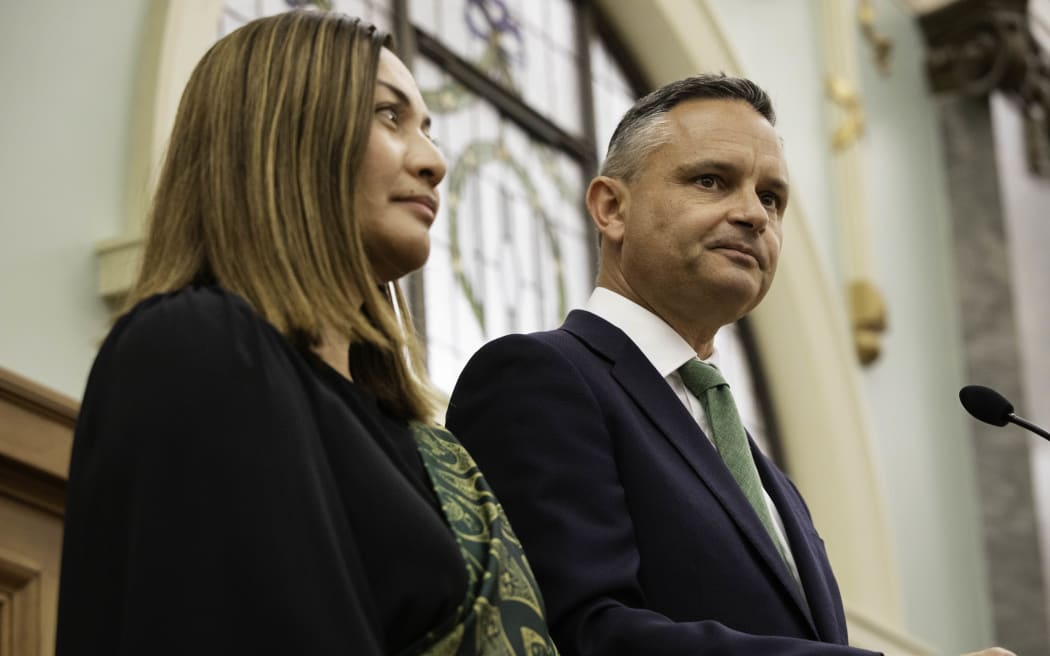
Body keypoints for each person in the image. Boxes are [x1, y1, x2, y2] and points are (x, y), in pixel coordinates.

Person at [445, 75, 1014, 656]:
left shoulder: (765, 474)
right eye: (711, 181)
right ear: (611, 208)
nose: (754, 215)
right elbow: (581, 633)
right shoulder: (538, 377)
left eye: (771, 198)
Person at [55, 11, 556, 655]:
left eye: (428, 129)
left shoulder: (423, 447)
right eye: (389, 116)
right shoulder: (195, 345)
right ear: (287, 133)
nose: (434, 161)